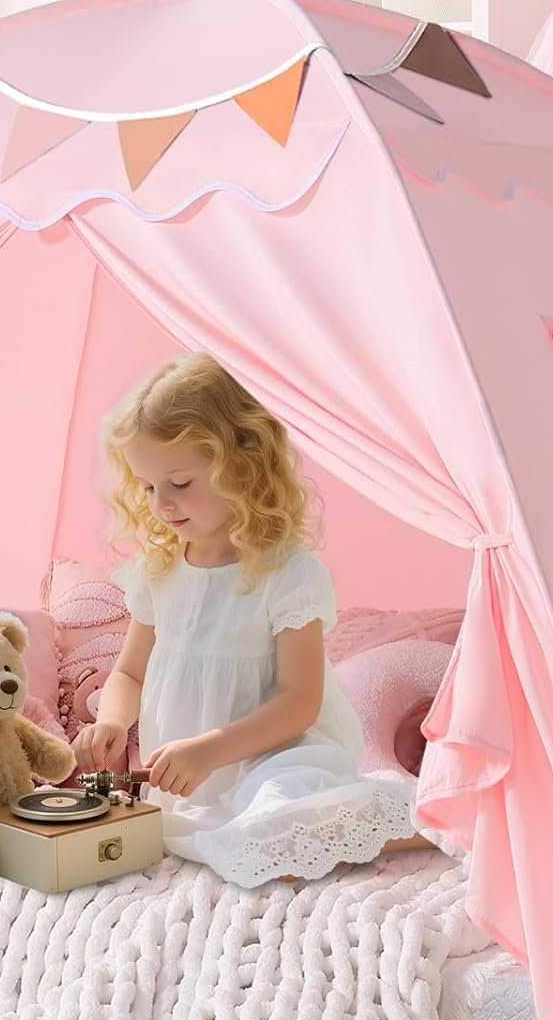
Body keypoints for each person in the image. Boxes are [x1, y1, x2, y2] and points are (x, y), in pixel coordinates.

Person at [73, 352, 416, 887]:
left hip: (276, 759)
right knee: (236, 841)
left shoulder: (288, 574)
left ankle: (421, 823)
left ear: (241, 466)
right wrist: (113, 722)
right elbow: (129, 674)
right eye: (148, 487)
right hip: (193, 780)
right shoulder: (159, 570)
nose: (162, 504)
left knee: (280, 821)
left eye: (180, 482)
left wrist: (211, 749)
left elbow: (299, 702)